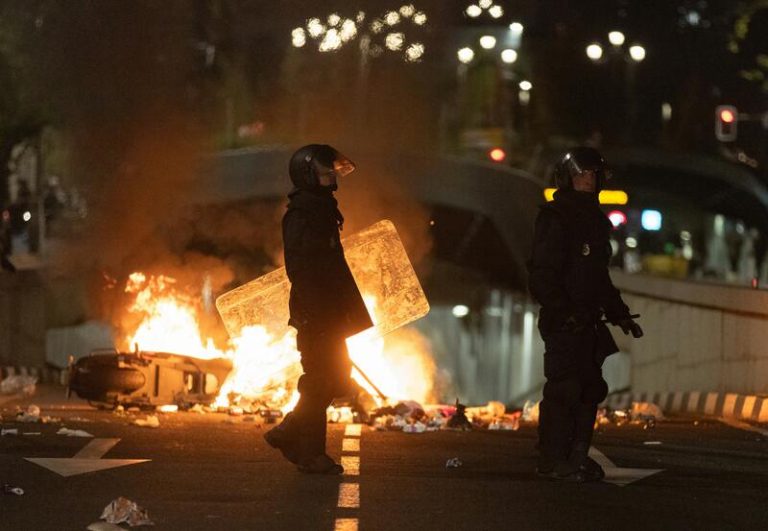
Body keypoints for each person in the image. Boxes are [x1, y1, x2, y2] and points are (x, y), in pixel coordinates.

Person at [528, 147, 644, 482]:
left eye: (592, 176)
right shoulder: (554, 217)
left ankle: (578, 456)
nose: (586, 181)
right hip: (563, 321)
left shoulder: (595, 221)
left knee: (591, 388)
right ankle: (551, 459)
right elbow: (543, 274)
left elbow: (598, 276)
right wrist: (563, 312)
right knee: (565, 387)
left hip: (589, 321)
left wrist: (619, 314)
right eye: (580, 175)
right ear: (567, 179)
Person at [264, 144, 373, 475]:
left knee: (333, 379)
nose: (332, 178)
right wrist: (315, 314)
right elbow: (301, 268)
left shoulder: (322, 209)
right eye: (326, 173)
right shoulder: (302, 214)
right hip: (316, 314)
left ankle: (291, 434)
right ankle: (309, 452)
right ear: (308, 175)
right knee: (320, 380)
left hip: (329, 313)